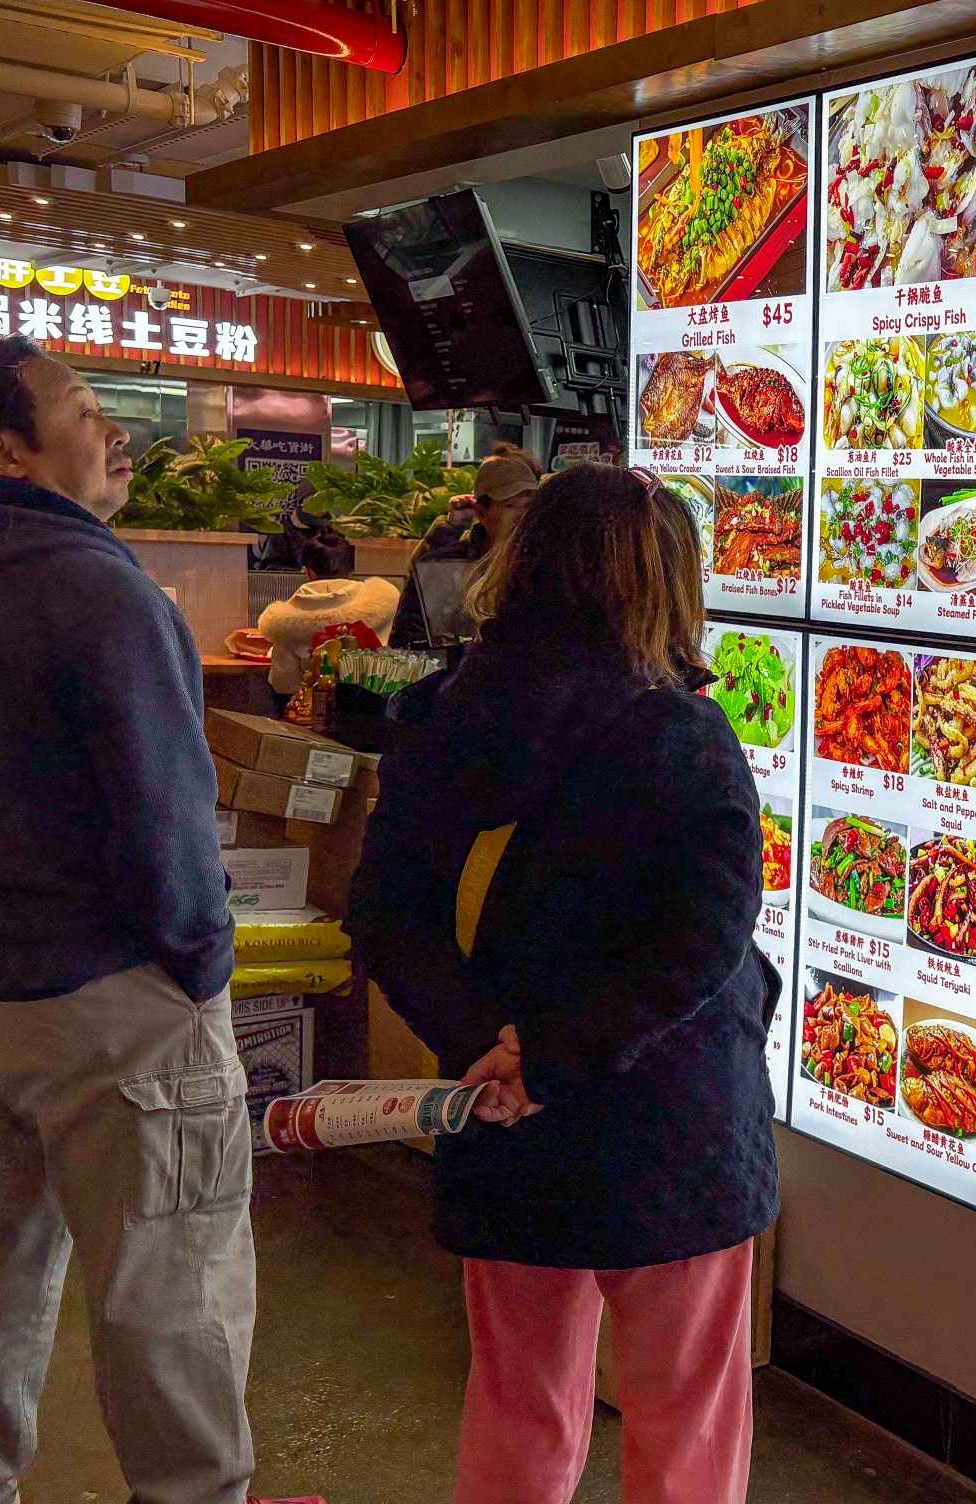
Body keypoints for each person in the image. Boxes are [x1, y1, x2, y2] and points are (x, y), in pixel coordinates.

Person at [348, 463, 778, 1504]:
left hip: (503, 1117)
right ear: (666, 583)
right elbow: (707, 928)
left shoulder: (440, 717)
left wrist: (484, 1047)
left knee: (519, 1404)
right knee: (684, 1420)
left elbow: (386, 911)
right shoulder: (677, 730)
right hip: (672, 1123)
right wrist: (563, 1054)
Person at [0, 339, 269, 1504]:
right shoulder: (99, 590)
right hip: (113, 1009)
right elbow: (167, 824)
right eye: (85, 411)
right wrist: (202, 970)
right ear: (6, 452)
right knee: (171, 1305)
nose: (118, 430)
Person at [393, 452, 538, 646]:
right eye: (510, 505)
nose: (522, 517)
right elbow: (408, 642)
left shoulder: (544, 566)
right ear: (481, 512)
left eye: (529, 507)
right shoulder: (446, 567)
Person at [257, 526, 399, 696]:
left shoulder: (284, 623)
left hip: (313, 714)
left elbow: (283, 684)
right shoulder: (385, 602)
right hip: (379, 707)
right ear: (350, 570)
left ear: (308, 572)